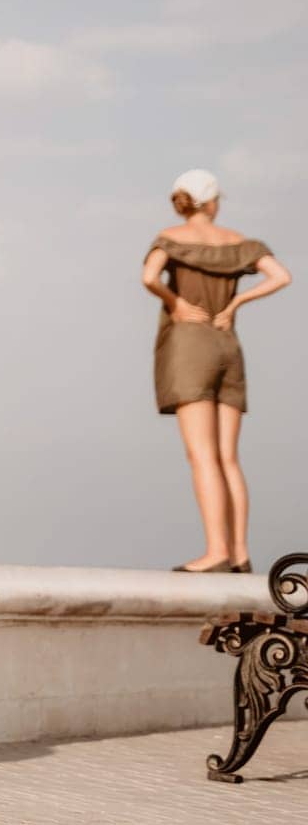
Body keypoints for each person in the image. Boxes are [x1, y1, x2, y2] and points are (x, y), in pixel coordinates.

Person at [140, 168, 291, 574]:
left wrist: (175, 302)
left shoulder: (172, 238)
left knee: (202, 455)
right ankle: (239, 553)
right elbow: (281, 276)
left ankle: (215, 551)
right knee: (229, 458)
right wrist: (236, 305)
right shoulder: (237, 242)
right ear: (212, 200)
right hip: (228, 343)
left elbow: (149, 276)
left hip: (190, 344)